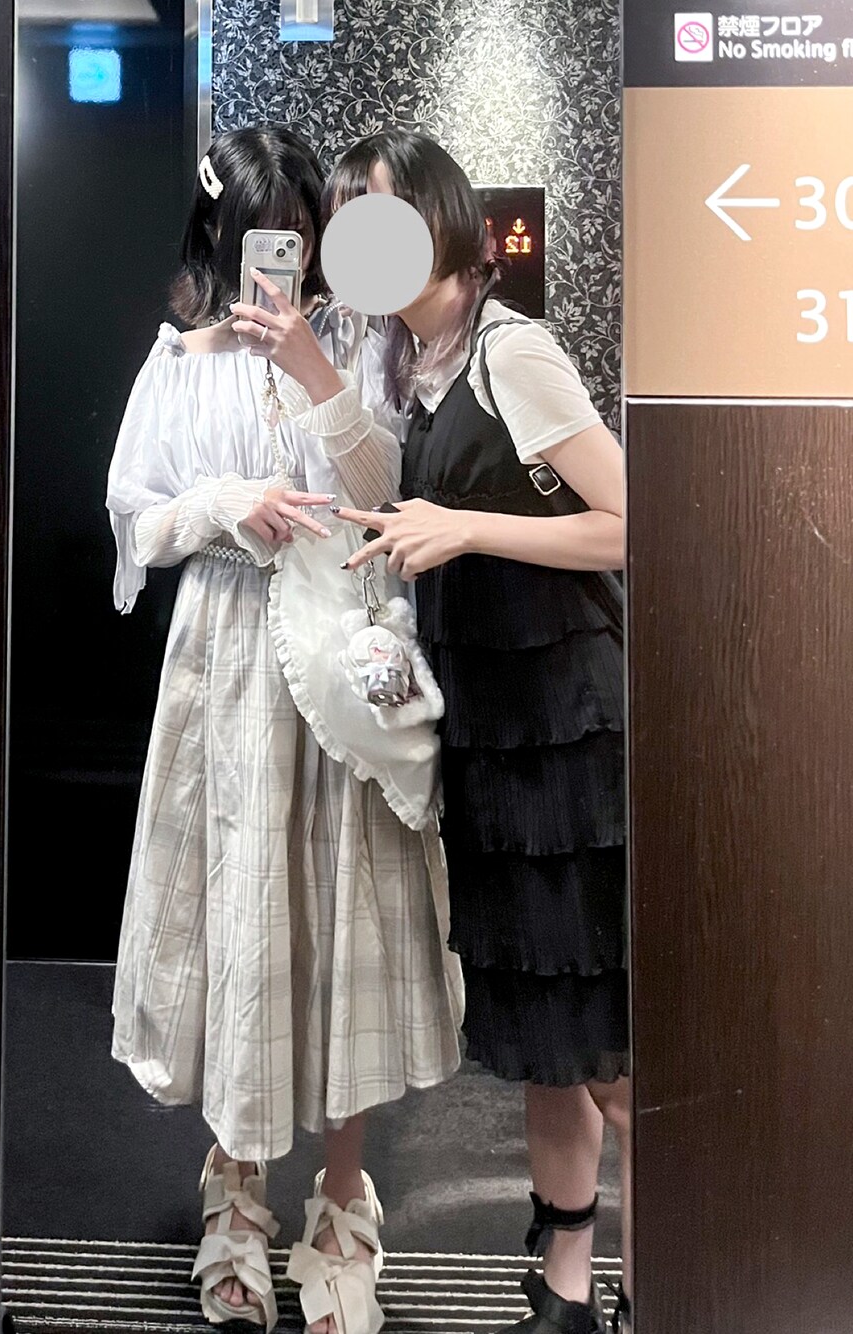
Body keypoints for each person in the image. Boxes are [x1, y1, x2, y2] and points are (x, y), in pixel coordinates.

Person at [105, 127, 463, 1334]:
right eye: (261, 236)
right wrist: (224, 501)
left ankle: (345, 1201)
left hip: (340, 651)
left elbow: (384, 487)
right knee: (241, 914)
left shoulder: (360, 343)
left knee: (345, 915)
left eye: (299, 236)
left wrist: (316, 370)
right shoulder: (177, 363)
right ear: (221, 237)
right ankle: (236, 1189)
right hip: (223, 661)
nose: (282, 259)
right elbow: (135, 519)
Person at [312, 130, 630, 1334]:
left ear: (440, 218)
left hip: (571, 736)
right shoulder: (416, 365)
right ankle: (563, 1291)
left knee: (610, 1043)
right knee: (549, 1034)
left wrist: (466, 528)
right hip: (491, 733)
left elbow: (632, 519)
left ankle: (690, 1276)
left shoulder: (512, 352)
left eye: (379, 213)